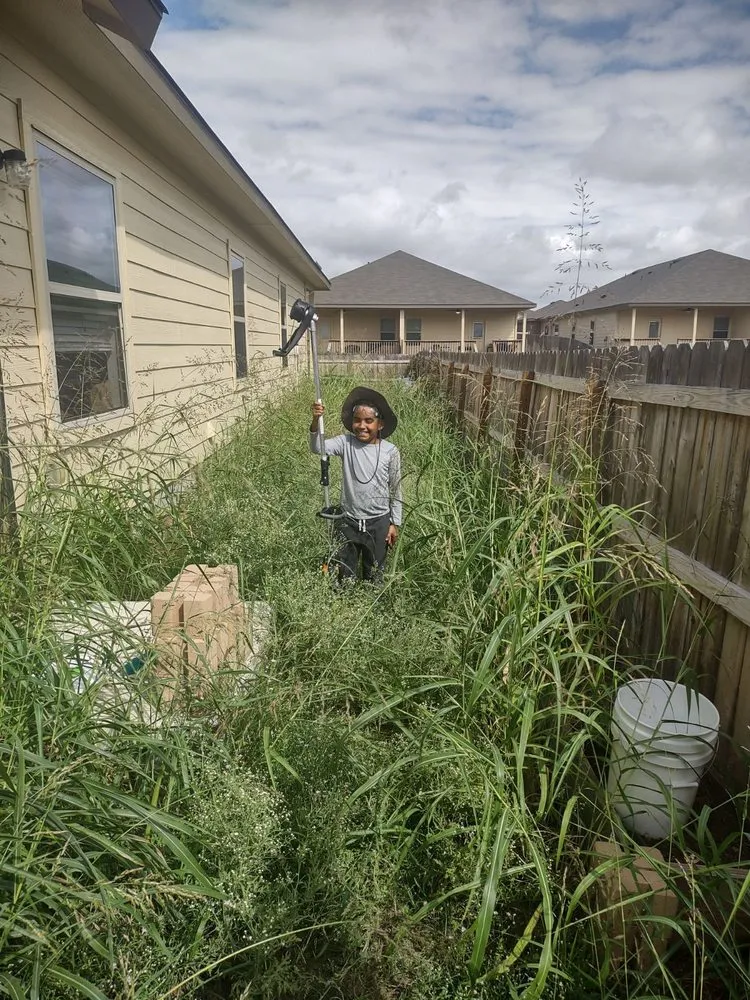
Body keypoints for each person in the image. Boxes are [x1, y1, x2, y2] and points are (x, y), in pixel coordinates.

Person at [310, 386, 402, 583]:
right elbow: (317, 447)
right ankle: (344, 597)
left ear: (380, 424)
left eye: (369, 421)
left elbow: (396, 489)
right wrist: (316, 420)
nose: (362, 426)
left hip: (379, 522)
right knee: (344, 574)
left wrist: (394, 523)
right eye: (357, 420)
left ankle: (371, 599)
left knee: (375, 575)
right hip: (348, 520)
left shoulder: (390, 451)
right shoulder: (345, 443)